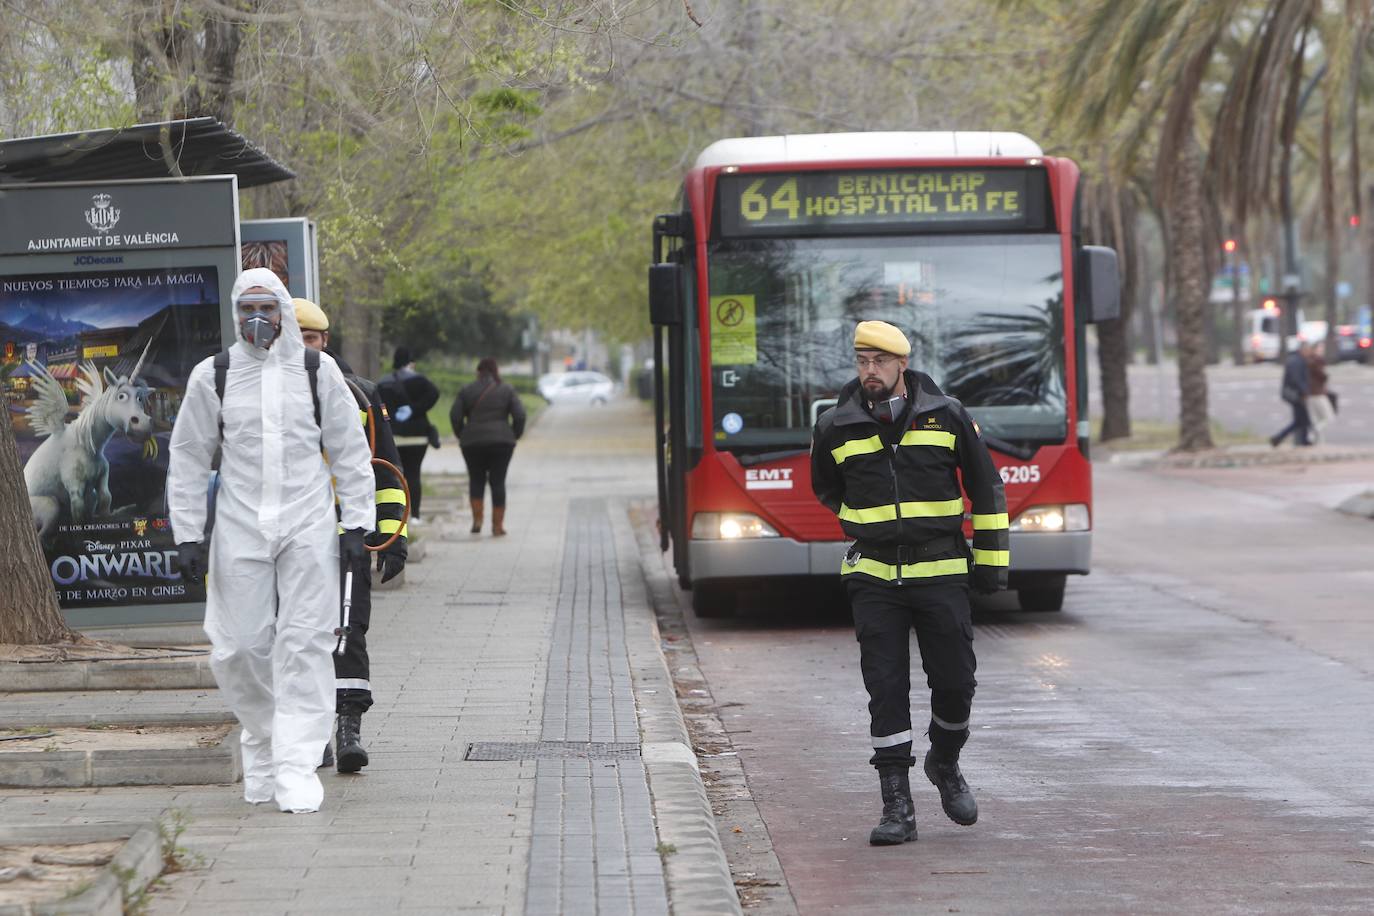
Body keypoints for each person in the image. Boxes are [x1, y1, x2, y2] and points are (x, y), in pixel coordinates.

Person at [167, 268, 375, 813]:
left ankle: (296, 764)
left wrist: (357, 523)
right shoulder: (212, 376)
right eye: (246, 308)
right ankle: (263, 740)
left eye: (266, 306)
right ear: (235, 313)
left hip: (306, 519)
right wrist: (188, 533)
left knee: (305, 641)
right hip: (239, 522)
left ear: (284, 308)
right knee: (237, 646)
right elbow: (189, 456)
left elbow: (350, 450)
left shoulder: (316, 370)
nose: (256, 318)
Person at [810, 320, 1009, 846]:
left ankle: (945, 761)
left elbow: (987, 489)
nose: (869, 371)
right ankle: (896, 804)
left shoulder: (947, 416)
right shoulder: (835, 425)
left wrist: (991, 565)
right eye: (861, 361)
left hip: (941, 570)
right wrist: (865, 521)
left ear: (902, 365)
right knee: (886, 688)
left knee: (955, 684)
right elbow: (826, 488)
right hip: (873, 576)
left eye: (879, 361)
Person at [295, 298, 408, 772]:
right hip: (291, 540)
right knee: (299, 637)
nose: (304, 348)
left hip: (347, 536)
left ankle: (347, 733)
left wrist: (393, 537)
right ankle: (311, 734)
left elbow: (385, 469)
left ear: (326, 341)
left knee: (348, 632)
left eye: (312, 339)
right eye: (295, 338)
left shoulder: (359, 393)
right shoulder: (261, 395)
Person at [451, 357, 526, 536]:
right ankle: (497, 526)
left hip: (472, 443)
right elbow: (520, 415)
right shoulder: (507, 390)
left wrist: (463, 434)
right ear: (496, 371)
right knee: (498, 482)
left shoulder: (467, 390)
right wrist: (513, 435)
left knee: (476, 480)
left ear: (478, 372)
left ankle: (477, 521)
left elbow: (455, 416)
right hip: (502, 443)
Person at [378, 347, 440, 524]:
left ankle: (398, 516)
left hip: (394, 436)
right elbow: (434, 394)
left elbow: (379, 406)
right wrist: (415, 409)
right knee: (414, 474)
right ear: (411, 362)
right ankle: (415, 516)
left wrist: (389, 418)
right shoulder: (420, 381)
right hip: (418, 436)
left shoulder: (383, 383)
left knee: (396, 476)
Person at [1271, 342, 1312, 448]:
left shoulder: (1297, 360)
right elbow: (1297, 379)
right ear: (1302, 350)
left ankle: (1300, 439)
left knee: (1301, 419)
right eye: (1308, 350)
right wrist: (1304, 391)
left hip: (1295, 393)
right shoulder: (1296, 361)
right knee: (1302, 419)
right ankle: (1280, 438)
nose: (1309, 353)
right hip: (1295, 394)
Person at [1304, 343, 1334, 445]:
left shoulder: (1307, 360)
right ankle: (1314, 432)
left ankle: (1319, 443)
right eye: (1320, 348)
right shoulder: (1318, 361)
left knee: (1316, 419)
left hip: (1309, 393)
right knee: (1329, 417)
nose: (1322, 350)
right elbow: (1322, 376)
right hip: (1318, 393)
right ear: (1315, 349)